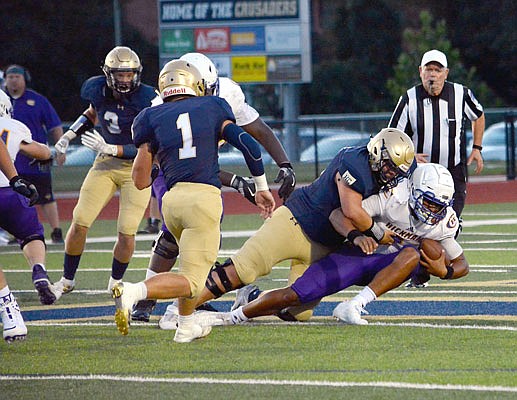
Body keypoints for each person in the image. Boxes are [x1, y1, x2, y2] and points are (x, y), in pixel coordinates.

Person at [158, 127, 415, 329]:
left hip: (324, 244)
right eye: (389, 167)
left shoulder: (388, 171)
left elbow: (347, 216)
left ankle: (251, 298)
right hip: (295, 221)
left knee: (297, 311)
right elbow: (352, 211)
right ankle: (179, 310)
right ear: (376, 153)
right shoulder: (354, 162)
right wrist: (379, 233)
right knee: (243, 270)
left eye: (396, 171)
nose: (391, 174)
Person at [111, 59, 275, 343]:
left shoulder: (151, 116)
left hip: (172, 202)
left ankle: (185, 325)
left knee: (189, 268)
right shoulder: (213, 106)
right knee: (192, 282)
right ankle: (133, 293)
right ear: (196, 84)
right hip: (203, 199)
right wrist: (261, 187)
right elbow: (249, 145)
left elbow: (140, 181)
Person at [209, 163, 468, 327]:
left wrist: (445, 272)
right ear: (413, 191)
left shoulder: (444, 221)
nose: (434, 211)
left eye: (439, 205)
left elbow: (462, 264)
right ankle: (238, 312)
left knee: (412, 254)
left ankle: (354, 305)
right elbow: (337, 214)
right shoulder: (390, 198)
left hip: (388, 267)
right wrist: (362, 234)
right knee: (294, 300)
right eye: (430, 202)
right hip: (359, 255)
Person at [50, 46, 157, 302]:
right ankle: (67, 280)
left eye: (129, 74)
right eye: (119, 75)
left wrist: (113, 147)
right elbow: (92, 113)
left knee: (127, 231)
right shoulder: (97, 89)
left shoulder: (148, 98)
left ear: (137, 74)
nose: (124, 80)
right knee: (80, 220)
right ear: (109, 74)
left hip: (137, 167)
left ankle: (115, 281)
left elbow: (151, 144)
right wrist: (69, 135)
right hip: (105, 163)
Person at [389, 49, 484, 288]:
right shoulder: (410, 98)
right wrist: (409, 156)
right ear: (420, 72)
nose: (432, 75)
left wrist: (477, 147)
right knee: (417, 224)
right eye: (428, 69)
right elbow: (393, 135)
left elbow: (478, 115)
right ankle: (418, 273)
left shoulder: (461, 93)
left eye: (437, 70)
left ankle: (428, 268)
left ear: (446, 73)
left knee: (450, 224)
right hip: (421, 176)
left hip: (453, 170)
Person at [0, 90, 57, 343]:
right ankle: (39, 268)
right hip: (10, 194)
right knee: (31, 234)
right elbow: (41, 153)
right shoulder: (13, 125)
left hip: (9, 184)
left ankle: (8, 309)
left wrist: (14, 178)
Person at [4, 64, 65, 243]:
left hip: (35, 158)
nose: (13, 80)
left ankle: (56, 230)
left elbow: (54, 125)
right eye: (10, 77)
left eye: (17, 77)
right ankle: (18, 232)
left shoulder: (37, 100)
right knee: (15, 196)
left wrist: (60, 147)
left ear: (24, 79)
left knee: (46, 196)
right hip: (11, 161)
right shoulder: (4, 101)